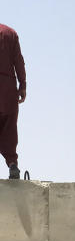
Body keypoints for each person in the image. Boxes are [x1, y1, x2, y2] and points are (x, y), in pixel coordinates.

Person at [0, 23, 26, 179]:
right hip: (8, 88)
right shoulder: (11, 33)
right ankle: (12, 164)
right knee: (9, 129)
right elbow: (18, 61)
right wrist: (22, 85)